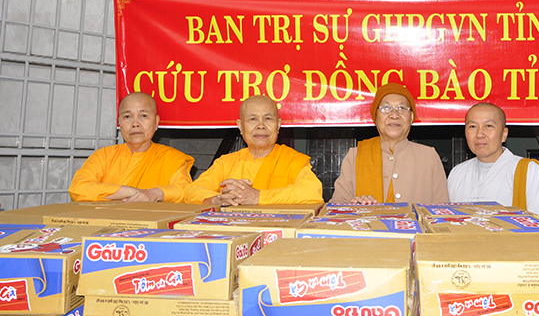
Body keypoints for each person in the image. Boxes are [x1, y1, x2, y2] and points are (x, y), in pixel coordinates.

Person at [184, 95, 323, 206]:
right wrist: (216, 200)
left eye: (268, 118)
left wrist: (258, 197)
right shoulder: (226, 163)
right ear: (240, 126)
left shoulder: (292, 161)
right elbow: (192, 191)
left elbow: (312, 192)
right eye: (253, 119)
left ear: (278, 125)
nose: (261, 125)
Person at [331, 83, 448, 204]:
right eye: (386, 108)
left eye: (402, 108)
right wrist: (354, 206)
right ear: (376, 117)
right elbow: (337, 205)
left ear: (411, 117)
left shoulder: (428, 156)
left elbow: (442, 209)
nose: (394, 115)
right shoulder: (355, 156)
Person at [69, 92, 194, 203]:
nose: (135, 124)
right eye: (127, 116)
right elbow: (78, 188)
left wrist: (155, 194)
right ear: (119, 123)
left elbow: (185, 190)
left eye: (143, 116)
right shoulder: (104, 156)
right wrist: (132, 192)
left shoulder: (172, 158)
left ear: (156, 122)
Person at [447, 102, 539, 224]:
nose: (479, 134)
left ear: (504, 134)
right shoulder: (457, 173)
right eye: (472, 126)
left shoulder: (528, 171)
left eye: (488, 126)